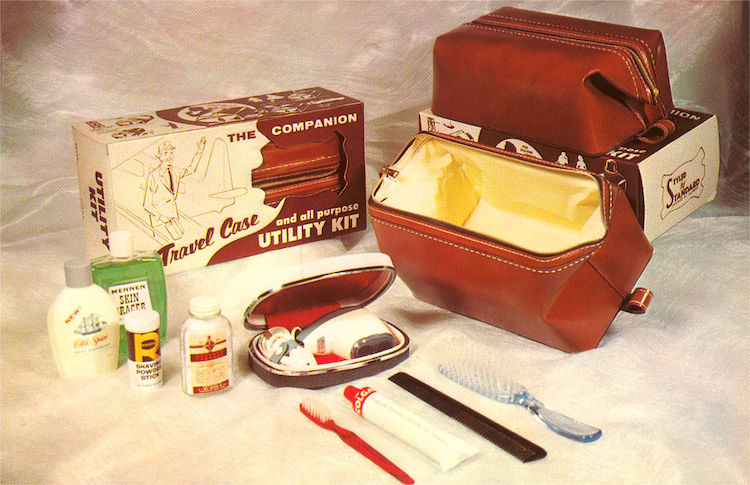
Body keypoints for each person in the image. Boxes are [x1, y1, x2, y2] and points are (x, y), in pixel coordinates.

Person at [143, 137, 206, 239]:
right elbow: (147, 205)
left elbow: (191, 169)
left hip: (173, 218)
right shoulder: (153, 176)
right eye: (165, 153)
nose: (169, 156)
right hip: (160, 222)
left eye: (171, 153)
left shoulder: (175, 172)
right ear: (159, 156)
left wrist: (199, 151)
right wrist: (161, 217)